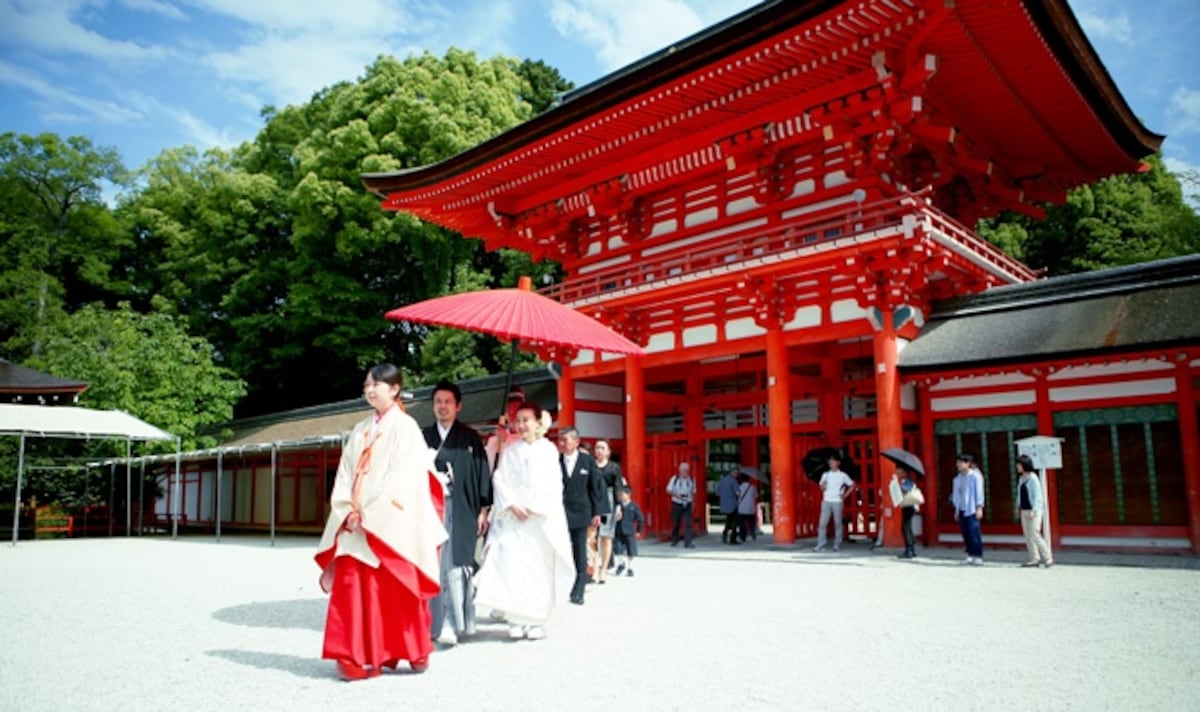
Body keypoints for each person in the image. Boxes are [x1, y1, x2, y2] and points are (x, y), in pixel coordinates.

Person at [314, 364, 447, 680]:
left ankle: (410, 649)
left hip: (389, 524)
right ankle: (354, 657)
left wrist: (370, 514)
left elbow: (402, 477)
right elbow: (345, 473)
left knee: (394, 587)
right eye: (367, 385)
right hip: (355, 523)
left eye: (378, 384)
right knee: (352, 588)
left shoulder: (406, 427)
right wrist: (346, 510)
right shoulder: (360, 429)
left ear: (396, 388)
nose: (370, 390)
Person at [473, 401, 574, 640]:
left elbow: (553, 484)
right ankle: (516, 620)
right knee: (514, 567)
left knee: (539, 568)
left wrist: (534, 506)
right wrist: (511, 504)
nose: (520, 425)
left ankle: (536, 620)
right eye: (517, 420)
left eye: (526, 420)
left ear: (538, 422)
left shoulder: (548, 450)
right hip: (514, 517)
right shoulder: (510, 448)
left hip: (539, 519)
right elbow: (500, 478)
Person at [422, 380, 491, 647]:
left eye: (448, 402)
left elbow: (482, 474)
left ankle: (454, 621)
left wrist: (483, 509)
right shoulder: (422, 437)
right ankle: (431, 622)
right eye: (438, 401)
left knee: (456, 564)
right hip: (430, 509)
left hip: (461, 507)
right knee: (433, 564)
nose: (442, 406)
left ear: (458, 406)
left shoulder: (470, 438)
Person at [559, 426, 603, 604]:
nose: (561, 444)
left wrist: (597, 512)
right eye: (560, 440)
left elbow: (595, 487)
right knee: (561, 550)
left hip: (581, 511)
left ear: (576, 442)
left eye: (565, 440)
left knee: (580, 550)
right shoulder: (555, 461)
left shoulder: (587, 461)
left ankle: (579, 589)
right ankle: (563, 584)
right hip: (560, 511)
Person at [592, 439, 625, 582]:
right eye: (597, 447)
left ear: (608, 452)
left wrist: (618, 506)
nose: (599, 450)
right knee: (592, 537)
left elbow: (618, 486)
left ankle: (603, 569)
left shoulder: (614, 467)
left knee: (606, 537)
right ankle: (593, 568)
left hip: (609, 501)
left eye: (602, 448)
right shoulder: (590, 465)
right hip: (593, 500)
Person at [1016, 454, 1053, 568]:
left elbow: (1037, 496)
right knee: (1028, 535)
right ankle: (1034, 558)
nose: (1017, 467)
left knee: (1035, 533)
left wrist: (1034, 509)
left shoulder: (1033, 478)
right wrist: (1017, 507)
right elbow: (1019, 494)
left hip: (1034, 511)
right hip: (1024, 509)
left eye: (1019, 464)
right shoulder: (1022, 478)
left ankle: (1048, 557)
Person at [950, 452, 986, 565]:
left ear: (968, 463)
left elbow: (979, 492)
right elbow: (956, 495)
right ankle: (970, 554)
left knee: (974, 532)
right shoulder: (957, 479)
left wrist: (979, 507)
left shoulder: (975, 476)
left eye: (961, 462)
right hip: (961, 508)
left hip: (972, 508)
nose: (958, 464)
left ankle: (978, 555)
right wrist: (956, 509)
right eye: (958, 462)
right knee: (965, 532)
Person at [814, 452, 854, 552]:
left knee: (838, 523)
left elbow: (852, 485)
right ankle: (821, 543)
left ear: (838, 463)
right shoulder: (825, 475)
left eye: (833, 461)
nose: (831, 463)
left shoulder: (843, 475)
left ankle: (837, 543)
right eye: (830, 461)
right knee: (822, 523)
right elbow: (822, 488)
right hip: (826, 500)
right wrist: (823, 485)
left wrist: (845, 495)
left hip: (837, 500)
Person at [484, 386, 525, 473]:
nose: (513, 412)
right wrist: (502, 443)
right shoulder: (494, 441)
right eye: (510, 408)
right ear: (505, 413)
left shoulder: (532, 438)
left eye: (517, 407)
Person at [613, 486, 644, 576]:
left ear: (628, 495)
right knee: (618, 550)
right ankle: (621, 563)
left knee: (631, 551)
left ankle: (630, 568)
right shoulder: (618, 506)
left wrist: (638, 530)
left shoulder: (634, 506)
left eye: (622, 494)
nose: (620, 496)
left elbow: (640, 519)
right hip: (618, 531)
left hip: (629, 531)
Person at [893, 466, 921, 559]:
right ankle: (911, 548)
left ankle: (909, 549)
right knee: (907, 527)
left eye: (899, 472)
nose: (898, 474)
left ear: (904, 472)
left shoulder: (908, 481)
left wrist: (897, 484)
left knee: (905, 527)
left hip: (910, 506)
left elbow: (905, 490)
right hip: (907, 506)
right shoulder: (905, 481)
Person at [667, 462, 696, 548]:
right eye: (683, 470)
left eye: (687, 470)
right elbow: (668, 490)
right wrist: (676, 495)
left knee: (688, 523)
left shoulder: (691, 479)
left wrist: (693, 503)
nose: (685, 472)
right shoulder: (674, 479)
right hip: (677, 503)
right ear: (680, 470)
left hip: (687, 503)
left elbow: (693, 492)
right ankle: (675, 539)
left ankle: (688, 542)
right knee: (676, 523)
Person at [717, 469, 740, 544]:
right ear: (732, 473)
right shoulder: (733, 481)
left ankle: (724, 534)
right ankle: (733, 539)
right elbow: (737, 493)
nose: (737, 475)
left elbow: (718, 493)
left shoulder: (722, 481)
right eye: (736, 473)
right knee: (734, 522)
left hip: (724, 504)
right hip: (733, 504)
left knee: (728, 521)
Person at [735, 471, 758, 543]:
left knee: (742, 524)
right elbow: (756, 496)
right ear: (749, 479)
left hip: (741, 508)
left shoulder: (739, 487)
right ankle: (752, 531)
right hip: (750, 508)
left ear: (741, 479)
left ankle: (743, 537)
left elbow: (737, 495)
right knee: (751, 522)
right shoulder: (752, 487)